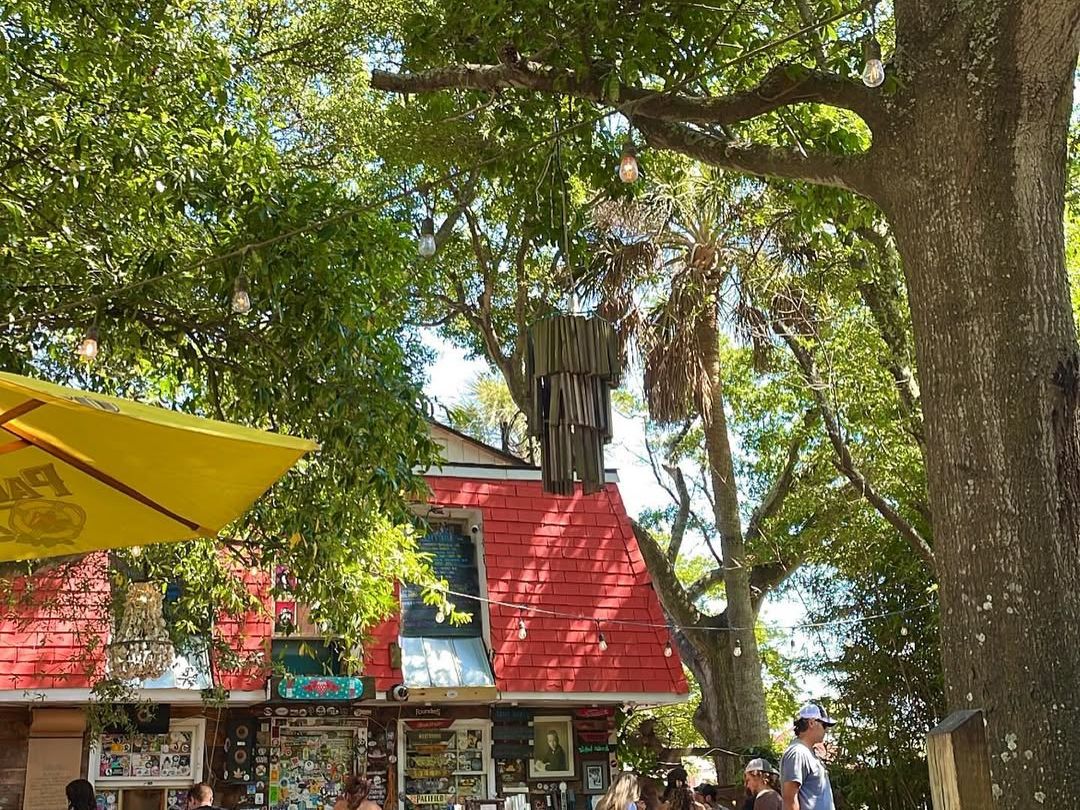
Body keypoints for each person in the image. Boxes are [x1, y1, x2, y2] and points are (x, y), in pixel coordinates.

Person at [780, 704, 835, 810]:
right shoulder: (797, 753)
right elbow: (790, 799)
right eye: (824, 724)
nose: (826, 730)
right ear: (811, 723)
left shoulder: (808, 753)